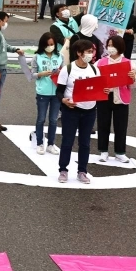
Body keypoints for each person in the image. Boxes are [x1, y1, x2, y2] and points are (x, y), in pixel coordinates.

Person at [56, 39, 101, 184]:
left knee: (85, 142)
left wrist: (103, 90)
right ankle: (63, 169)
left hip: (90, 110)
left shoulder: (94, 69)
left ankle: (82, 171)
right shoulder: (67, 69)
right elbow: (59, 92)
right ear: (79, 53)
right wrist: (64, 101)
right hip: (72, 110)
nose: (91, 54)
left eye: (91, 51)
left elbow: (98, 88)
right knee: (67, 141)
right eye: (88, 52)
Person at [96, 34, 136, 163]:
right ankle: (103, 151)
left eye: (113, 45)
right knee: (103, 124)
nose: (110, 48)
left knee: (121, 126)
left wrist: (133, 77)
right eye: (108, 45)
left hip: (121, 98)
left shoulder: (128, 63)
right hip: (105, 97)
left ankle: (120, 152)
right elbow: (95, 80)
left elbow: (135, 84)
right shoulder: (101, 62)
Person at [32, 32, 63, 155]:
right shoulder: (37, 57)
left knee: (54, 120)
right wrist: (41, 74)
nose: (51, 46)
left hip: (56, 92)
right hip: (42, 92)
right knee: (41, 119)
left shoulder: (60, 57)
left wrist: (59, 73)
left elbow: (64, 72)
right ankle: (40, 143)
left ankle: (51, 144)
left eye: (52, 44)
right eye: (48, 44)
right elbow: (31, 74)